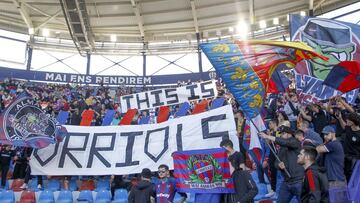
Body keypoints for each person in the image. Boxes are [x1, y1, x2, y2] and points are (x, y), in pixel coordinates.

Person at [259, 126, 304, 203]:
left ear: (289, 134)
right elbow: (276, 162)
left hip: (299, 181)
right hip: (287, 181)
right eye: (280, 134)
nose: (281, 136)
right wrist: (279, 165)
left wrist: (267, 136)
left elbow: (285, 142)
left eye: (283, 134)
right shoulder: (282, 148)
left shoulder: (295, 142)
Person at [336, 112, 360, 181]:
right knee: (345, 174)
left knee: (352, 175)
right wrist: (340, 118)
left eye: (348, 120)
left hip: (354, 158)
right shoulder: (349, 127)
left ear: (353, 122)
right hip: (345, 155)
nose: (346, 120)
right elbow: (344, 126)